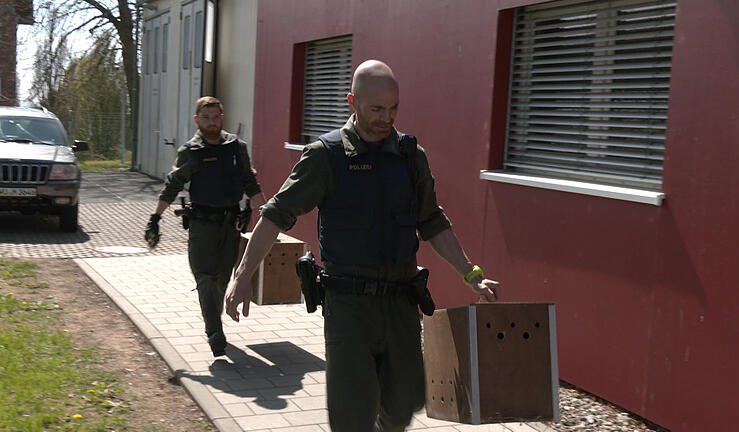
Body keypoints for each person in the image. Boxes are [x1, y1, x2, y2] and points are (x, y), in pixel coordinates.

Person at [224, 60, 499, 431]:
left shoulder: (410, 157)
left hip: (402, 299)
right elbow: (274, 215)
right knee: (352, 414)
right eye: (377, 109)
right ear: (352, 101)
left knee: (406, 401)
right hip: (349, 305)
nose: (387, 117)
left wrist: (471, 274)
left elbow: (432, 221)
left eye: (394, 107)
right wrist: (242, 276)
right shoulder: (327, 156)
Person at [144, 96, 266, 357]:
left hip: (231, 224)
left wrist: (268, 213)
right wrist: (155, 218)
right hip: (202, 225)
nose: (212, 122)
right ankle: (214, 332)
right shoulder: (191, 152)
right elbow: (173, 184)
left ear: (222, 118)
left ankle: (214, 324)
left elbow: (250, 182)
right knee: (205, 279)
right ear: (197, 120)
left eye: (216, 117)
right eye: (206, 117)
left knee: (222, 279)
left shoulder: (236, 147)